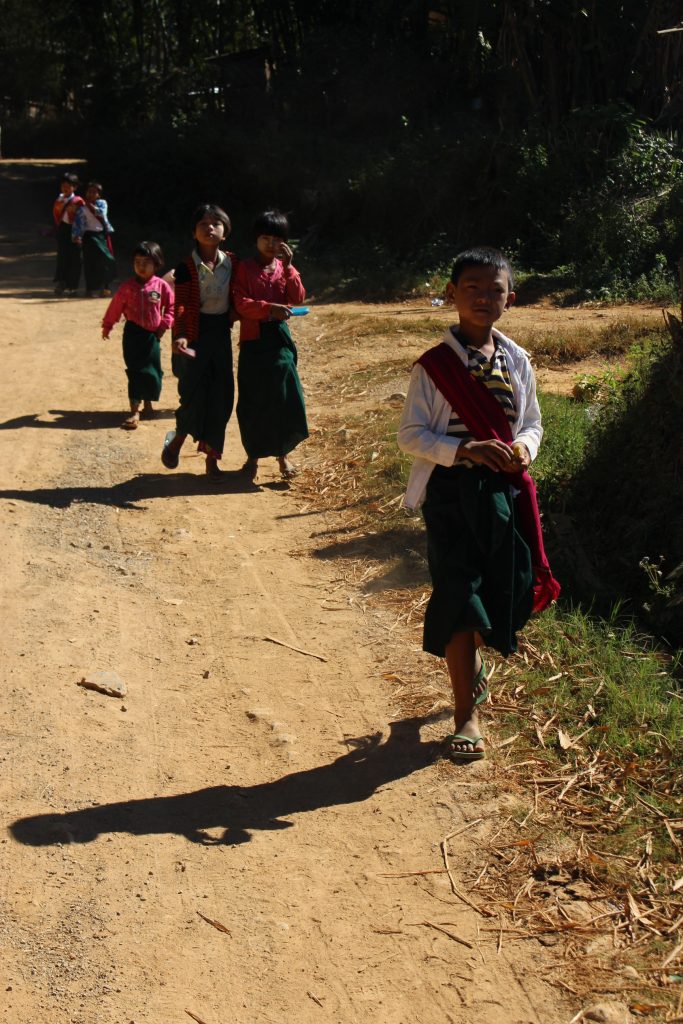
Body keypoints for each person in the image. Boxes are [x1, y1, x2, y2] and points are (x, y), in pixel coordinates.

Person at [397, 246, 560, 764]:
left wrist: (522, 449)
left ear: (510, 298)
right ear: (451, 294)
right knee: (460, 594)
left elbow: (532, 421)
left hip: (503, 497)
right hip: (449, 496)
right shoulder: (434, 367)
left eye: (495, 290)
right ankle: (466, 712)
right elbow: (410, 435)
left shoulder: (517, 360)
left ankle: (474, 672)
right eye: (472, 288)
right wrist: (464, 448)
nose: (484, 298)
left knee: (501, 593)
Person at [161, 203, 237, 478]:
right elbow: (181, 305)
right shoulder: (185, 268)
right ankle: (178, 440)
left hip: (220, 335)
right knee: (193, 396)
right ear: (194, 232)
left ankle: (211, 462)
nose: (209, 228)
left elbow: (240, 297)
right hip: (193, 335)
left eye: (215, 223)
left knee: (222, 396)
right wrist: (180, 335)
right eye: (203, 224)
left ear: (225, 231)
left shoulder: (233, 263)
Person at [232, 210, 309, 480]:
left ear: (284, 243)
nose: (270, 244)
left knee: (284, 397)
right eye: (265, 238)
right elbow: (240, 304)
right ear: (256, 240)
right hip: (253, 340)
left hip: (279, 340)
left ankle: (283, 456)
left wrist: (289, 267)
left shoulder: (285, 268)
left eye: (276, 240)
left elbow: (298, 297)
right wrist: (268, 309)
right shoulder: (245, 268)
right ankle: (252, 458)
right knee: (254, 399)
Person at [101, 241, 174, 430]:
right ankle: (135, 410)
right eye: (137, 262)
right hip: (133, 334)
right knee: (135, 371)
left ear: (156, 263)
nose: (141, 266)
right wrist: (108, 325)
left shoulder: (161, 286)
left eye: (146, 262)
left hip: (152, 336)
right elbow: (115, 307)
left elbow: (172, 307)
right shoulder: (127, 287)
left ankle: (148, 403)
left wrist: (164, 325)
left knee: (153, 372)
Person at [72, 181, 116, 297]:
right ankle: (90, 289)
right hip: (89, 237)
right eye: (89, 192)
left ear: (99, 195)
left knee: (106, 261)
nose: (91, 194)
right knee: (89, 264)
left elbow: (101, 214)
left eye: (94, 192)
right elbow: (79, 224)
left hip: (101, 236)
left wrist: (88, 204)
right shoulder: (81, 209)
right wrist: (77, 236)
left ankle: (105, 287)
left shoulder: (102, 203)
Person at [52, 173, 84, 296]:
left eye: (68, 186)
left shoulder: (78, 201)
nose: (65, 188)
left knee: (75, 259)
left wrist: (79, 234)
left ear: (74, 187)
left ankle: (73, 286)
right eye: (63, 185)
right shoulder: (59, 199)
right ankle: (61, 282)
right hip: (63, 230)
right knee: (62, 257)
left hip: (75, 231)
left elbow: (81, 219)